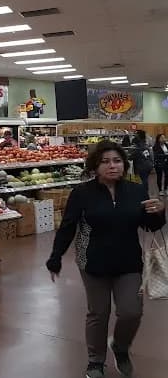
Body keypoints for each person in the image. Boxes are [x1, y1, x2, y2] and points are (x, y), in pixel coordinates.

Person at [46, 140, 165, 378]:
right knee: (98, 313)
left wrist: (159, 213)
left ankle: (120, 347)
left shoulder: (135, 191)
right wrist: (55, 257)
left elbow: (150, 226)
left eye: (117, 161)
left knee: (131, 312)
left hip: (129, 262)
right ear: (95, 166)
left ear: (124, 164)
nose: (112, 166)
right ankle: (95, 361)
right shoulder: (82, 193)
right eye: (105, 162)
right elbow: (68, 227)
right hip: (92, 262)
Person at [131, 130, 154, 195]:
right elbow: (148, 156)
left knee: (142, 180)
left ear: (139, 136)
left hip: (141, 166)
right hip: (147, 165)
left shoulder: (138, 146)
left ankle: (143, 194)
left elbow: (132, 156)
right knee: (144, 180)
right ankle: (145, 193)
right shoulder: (145, 145)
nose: (134, 135)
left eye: (136, 134)